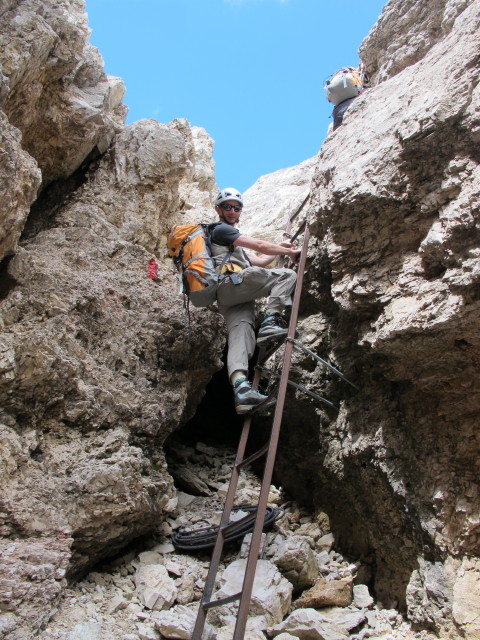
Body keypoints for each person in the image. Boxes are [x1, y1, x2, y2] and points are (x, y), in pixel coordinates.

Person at [210, 187, 301, 415]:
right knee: (287, 276)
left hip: (231, 298)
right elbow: (259, 245)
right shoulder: (220, 229)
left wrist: (282, 248)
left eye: (236, 207)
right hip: (232, 284)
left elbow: (260, 260)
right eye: (227, 206)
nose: (232, 210)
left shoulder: (232, 247)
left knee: (241, 335)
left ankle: (242, 391)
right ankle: (271, 322)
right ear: (218, 209)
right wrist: (290, 254)